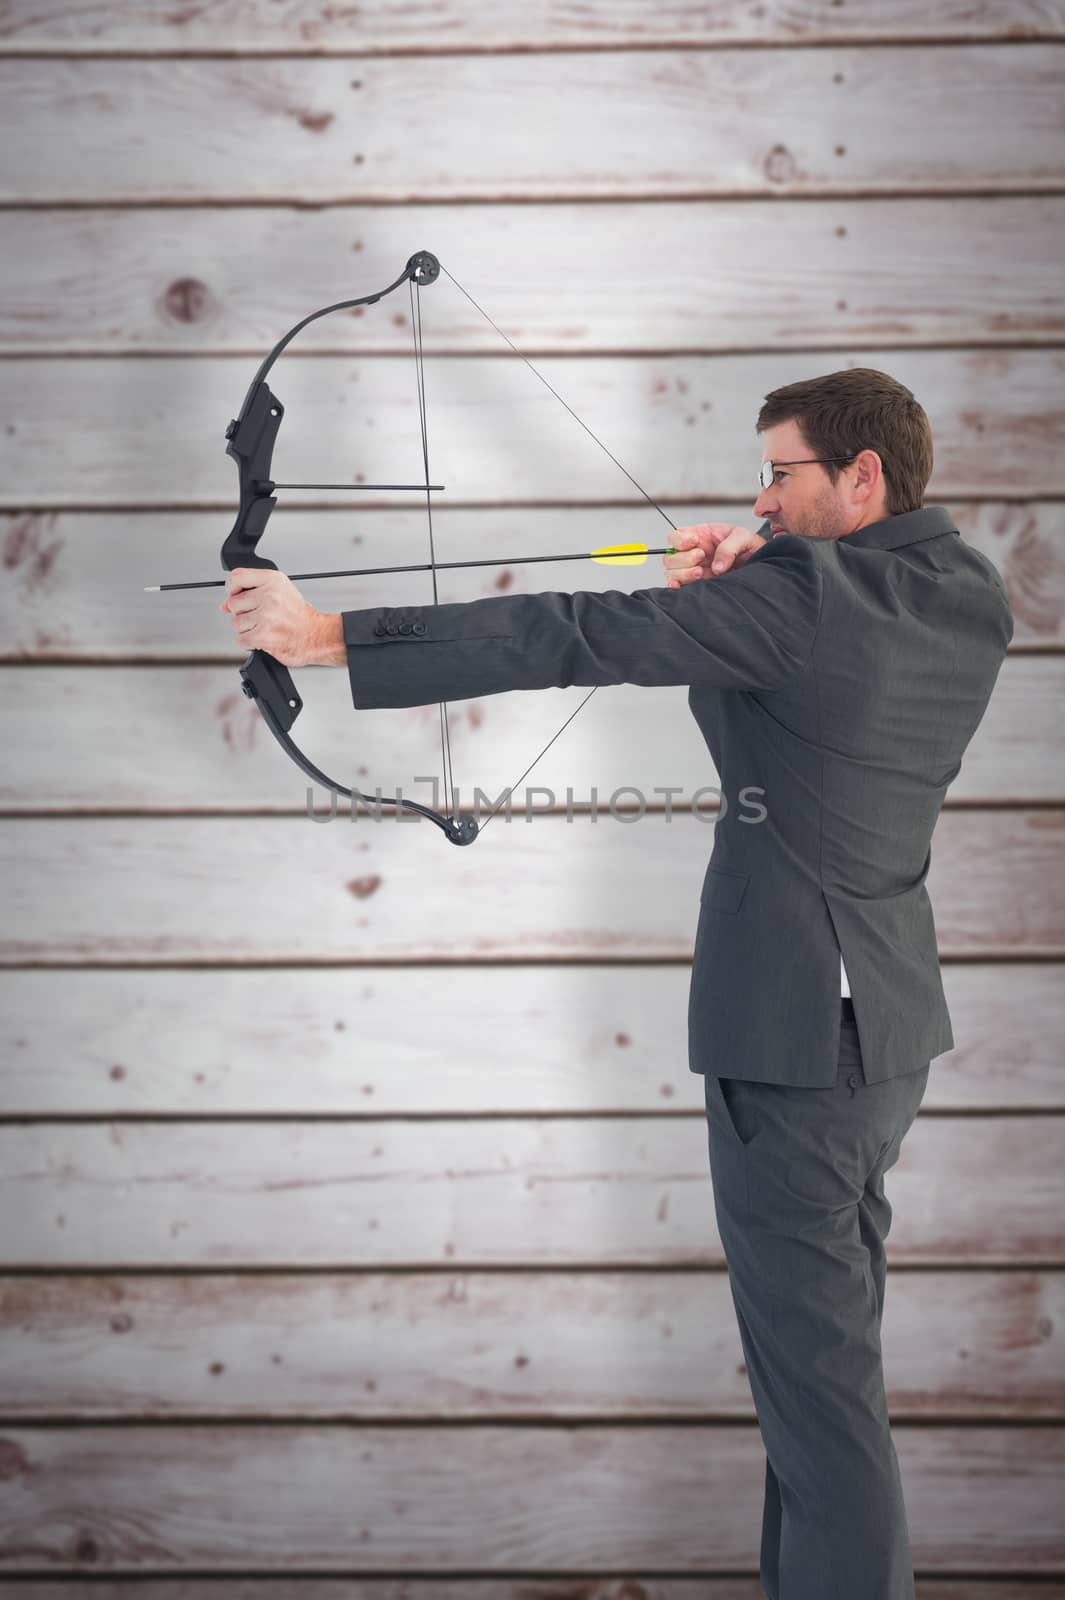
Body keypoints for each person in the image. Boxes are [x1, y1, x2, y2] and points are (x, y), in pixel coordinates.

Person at [222, 366, 1014, 1598]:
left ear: (861, 478)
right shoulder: (964, 588)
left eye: (779, 472)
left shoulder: (805, 593)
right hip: (886, 1033)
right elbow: (819, 675)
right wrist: (753, 578)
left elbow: (574, 633)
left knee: (821, 1406)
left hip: (792, 1037)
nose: (758, 495)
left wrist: (330, 638)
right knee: (819, 1384)